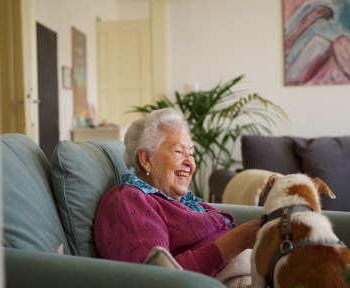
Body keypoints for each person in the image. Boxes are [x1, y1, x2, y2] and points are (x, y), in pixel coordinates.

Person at [94, 108, 261, 278]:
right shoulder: (129, 200)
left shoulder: (181, 200)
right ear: (146, 159)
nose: (189, 162)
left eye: (191, 153)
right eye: (179, 151)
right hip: (226, 286)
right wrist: (235, 242)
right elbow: (153, 281)